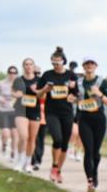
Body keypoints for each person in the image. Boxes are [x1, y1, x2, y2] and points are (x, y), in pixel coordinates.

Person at [33, 47, 78, 183]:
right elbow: (37, 94)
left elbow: (76, 94)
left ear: (64, 61)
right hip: (51, 112)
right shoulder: (47, 75)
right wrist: (46, 89)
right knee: (57, 139)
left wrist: (72, 95)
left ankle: (58, 170)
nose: (56, 65)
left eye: (58, 62)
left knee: (64, 143)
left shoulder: (71, 75)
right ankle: (54, 166)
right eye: (53, 62)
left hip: (67, 113)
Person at [76, 54, 107, 192]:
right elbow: (73, 97)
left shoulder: (102, 82)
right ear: (83, 66)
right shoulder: (79, 83)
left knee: (96, 153)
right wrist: (72, 98)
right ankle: (90, 181)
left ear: (96, 66)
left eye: (92, 63)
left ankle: (95, 172)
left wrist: (99, 94)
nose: (89, 66)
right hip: (84, 118)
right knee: (88, 150)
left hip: (98, 119)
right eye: (87, 64)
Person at [13, 58, 42, 173]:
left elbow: (44, 96)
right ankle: (20, 161)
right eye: (26, 64)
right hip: (21, 110)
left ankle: (28, 163)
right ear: (23, 66)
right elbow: (12, 92)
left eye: (30, 64)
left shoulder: (39, 80)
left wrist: (37, 92)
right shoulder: (18, 80)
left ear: (33, 67)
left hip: (34, 110)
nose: (28, 66)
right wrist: (16, 94)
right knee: (23, 136)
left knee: (31, 139)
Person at [0, 66, 19, 163]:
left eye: (14, 72)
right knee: (5, 133)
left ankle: (13, 153)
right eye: (10, 72)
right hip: (3, 110)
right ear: (8, 73)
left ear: (16, 74)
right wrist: (0, 99)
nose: (12, 74)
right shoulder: (1, 83)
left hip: (15, 111)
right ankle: (4, 145)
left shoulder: (20, 84)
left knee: (14, 134)